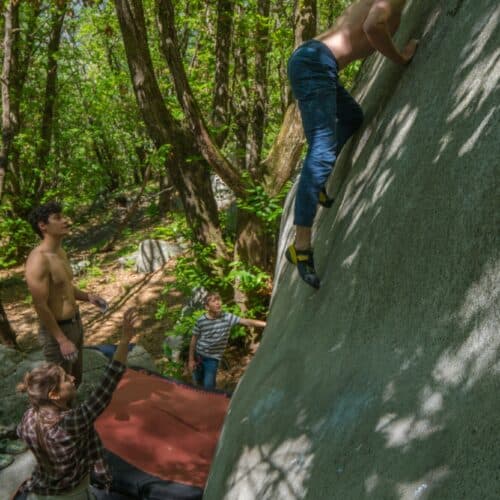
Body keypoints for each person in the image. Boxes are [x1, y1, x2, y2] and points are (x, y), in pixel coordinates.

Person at [286, 0, 419, 288]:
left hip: (316, 63)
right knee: (321, 150)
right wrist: (401, 57)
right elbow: (373, 26)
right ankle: (301, 247)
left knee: (351, 117)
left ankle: (317, 181)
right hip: (314, 64)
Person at [16, 309, 138, 500]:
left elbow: (18, 433)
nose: (72, 378)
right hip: (72, 494)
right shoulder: (70, 422)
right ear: (54, 395)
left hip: (42, 489)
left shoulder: (28, 417)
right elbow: (108, 382)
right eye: (66, 379)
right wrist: (124, 341)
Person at [26, 201, 109, 387]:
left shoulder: (60, 251)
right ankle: (59, 417)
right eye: (58, 218)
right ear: (43, 226)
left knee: (75, 381)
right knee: (60, 387)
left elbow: (64, 287)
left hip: (75, 324)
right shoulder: (38, 260)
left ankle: (73, 414)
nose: (65, 221)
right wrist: (62, 340)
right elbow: (40, 305)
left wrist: (88, 297)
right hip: (57, 332)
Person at [188, 292, 266, 390]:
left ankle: (209, 402)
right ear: (207, 307)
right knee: (198, 383)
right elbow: (194, 339)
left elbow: (246, 321)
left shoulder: (227, 317)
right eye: (214, 301)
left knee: (208, 386)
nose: (218, 303)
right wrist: (191, 360)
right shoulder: (201, 321)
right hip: (198, 355)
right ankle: (198, 401)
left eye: (219, 300)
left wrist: (265, 324)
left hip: (213, 358)